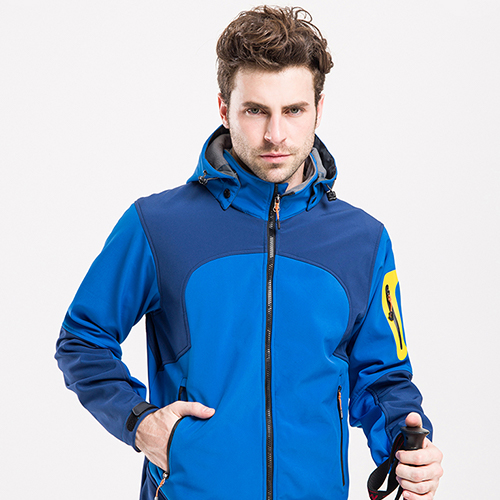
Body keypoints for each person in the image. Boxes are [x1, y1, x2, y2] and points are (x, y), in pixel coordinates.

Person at [55, 6, 443, 500]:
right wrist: (139, 422)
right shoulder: (158, 226)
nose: (275, 135)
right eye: (255, 110)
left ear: (319, 109)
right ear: (224, 108)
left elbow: (383, 379)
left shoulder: (363, 240)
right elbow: (82, 339)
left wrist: (408, 450)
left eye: (293, 111)